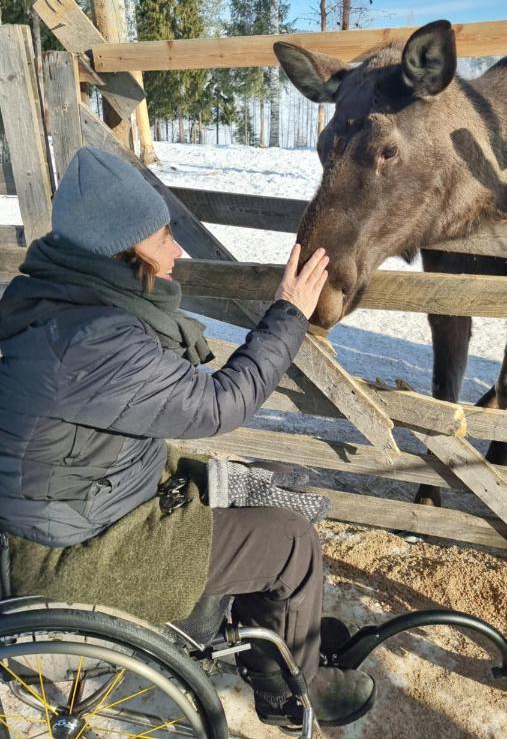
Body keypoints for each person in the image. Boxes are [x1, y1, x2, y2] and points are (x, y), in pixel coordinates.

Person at [0, 147, 375, 731]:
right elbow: (223, 403)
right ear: (120, 251)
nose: (177, 250)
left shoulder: (53, 299)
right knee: (293, 541)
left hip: (72, 504)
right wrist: (288, 314)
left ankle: (276, 636)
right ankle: (294, 696)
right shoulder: (96, 341)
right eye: (161, 237)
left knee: (250, 494)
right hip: (75, 552)